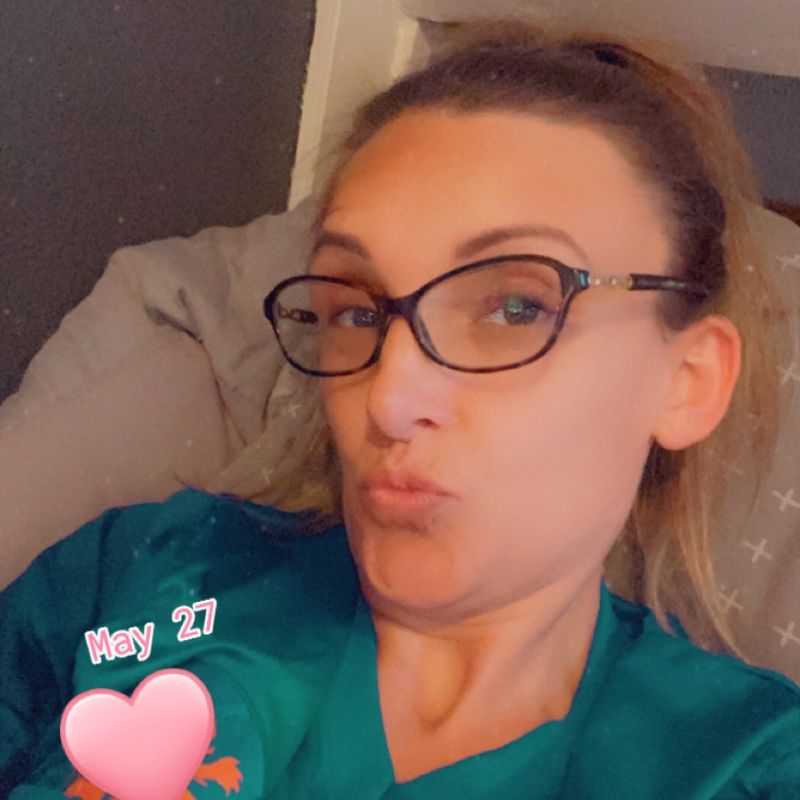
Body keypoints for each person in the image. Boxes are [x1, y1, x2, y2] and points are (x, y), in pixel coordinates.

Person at [1, 19, 798, 799]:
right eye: (355, 312)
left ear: (688, 381)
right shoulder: (143, 576)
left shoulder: (744, 765)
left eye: (515, 307)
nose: (389, 398)